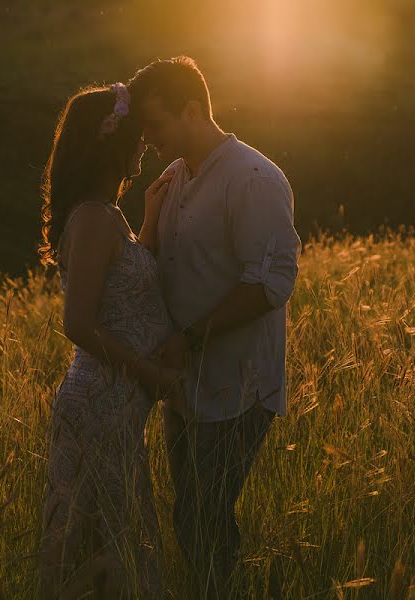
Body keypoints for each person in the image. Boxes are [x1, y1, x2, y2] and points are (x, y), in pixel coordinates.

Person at [127, 56, 302, 599]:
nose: (148, 139)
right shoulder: (175, 177)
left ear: (191, 109)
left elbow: (270, 283)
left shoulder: (253, 178)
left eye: (156, 124)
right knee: (192, 515)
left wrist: (191, 337)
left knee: (203, 514)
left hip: (237, 383)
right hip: (185, 385)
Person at [35, 82, 182, 599]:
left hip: (114, 408)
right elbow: (78, 324)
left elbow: (123, 285)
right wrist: (152, 375)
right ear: (111, 142)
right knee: (103, 551)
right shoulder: (95, 219)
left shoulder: (107, 215)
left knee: (110, 549)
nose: (143, 144)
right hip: (99, 403)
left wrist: (149, 222)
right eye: (136, 135)